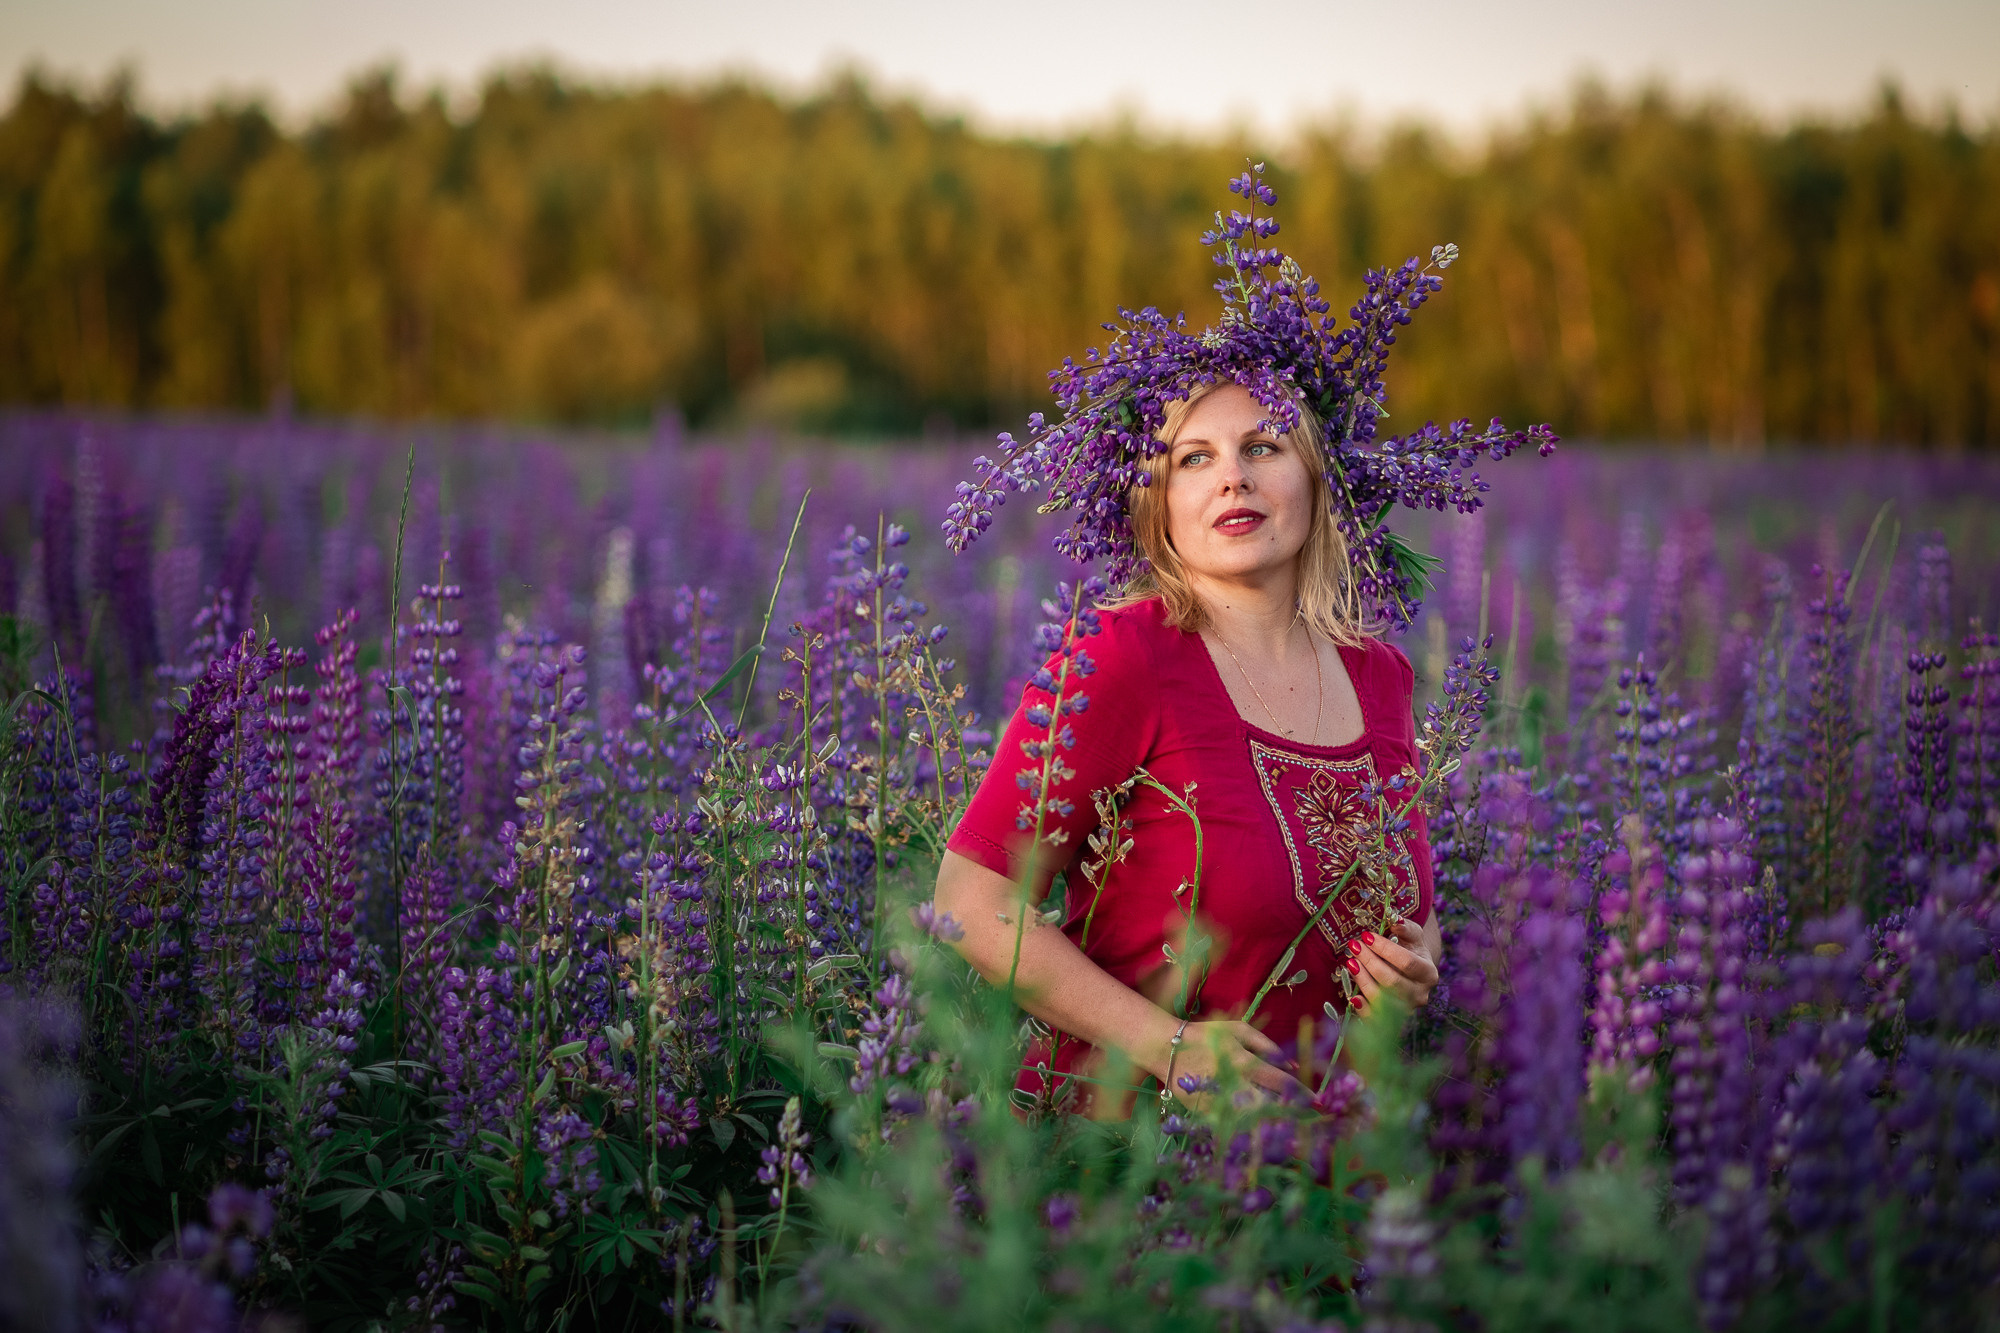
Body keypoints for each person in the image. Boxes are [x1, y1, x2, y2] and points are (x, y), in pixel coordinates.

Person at [933, 380, 1443, 1114]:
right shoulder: (1120, 660)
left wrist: (1418, 962)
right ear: (1158, 502)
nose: (1234, 475)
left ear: (1317, 476)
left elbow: (1413, 902)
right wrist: (1167, 1045)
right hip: (1133, 1158)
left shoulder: (1380, 676)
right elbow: (971, 899)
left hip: (1336, 1167)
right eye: (1194, 458)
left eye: (1262, 447)